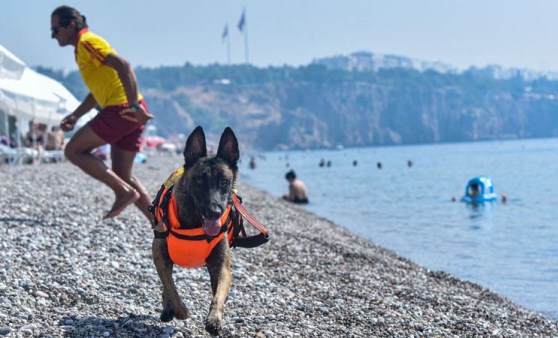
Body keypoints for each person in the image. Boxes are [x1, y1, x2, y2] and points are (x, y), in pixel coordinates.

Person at [51, 6, 154, 221]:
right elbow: (98, 92)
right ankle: (162, 226)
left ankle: (124, 193)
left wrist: (134, 106)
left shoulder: (87, 42)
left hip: (122, 109)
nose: (53, 36)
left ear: (71, 26)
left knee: (73, 150)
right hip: (128, 109)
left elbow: (124, 66)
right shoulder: (83, 47)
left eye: (55, 30)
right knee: (122, 174)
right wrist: (76, 115)